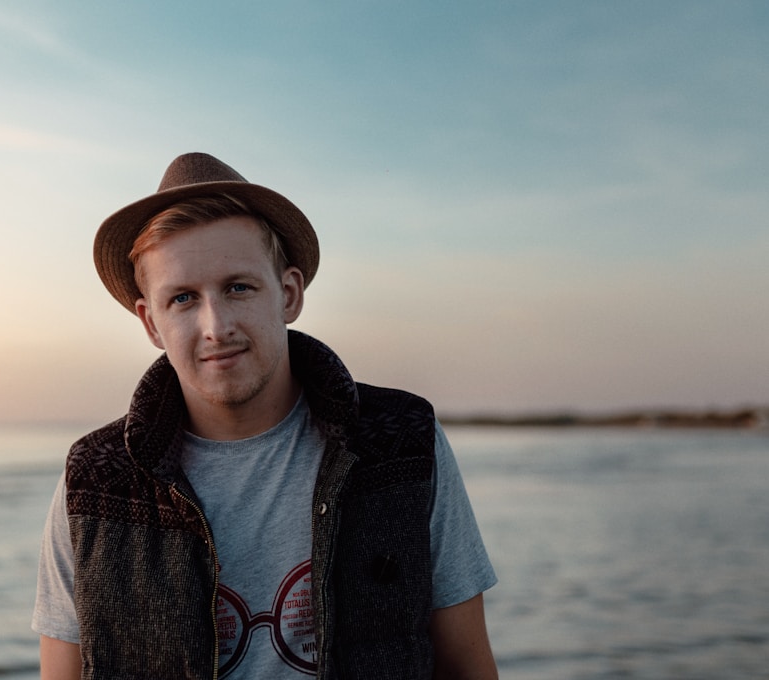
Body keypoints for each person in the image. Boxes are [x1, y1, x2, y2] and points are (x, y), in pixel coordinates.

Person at [33, 152, 498, 679]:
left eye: (238, 287)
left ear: (289, 293)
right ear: (151, 323)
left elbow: (467, 665)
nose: (216, 326)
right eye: (183, 298)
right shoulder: (96, 480)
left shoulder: (402, 442)